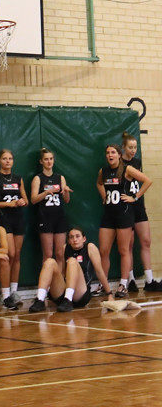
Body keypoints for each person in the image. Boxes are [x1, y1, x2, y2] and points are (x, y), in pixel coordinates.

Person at [97, 143, 152, 299]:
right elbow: (99, 183)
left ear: (119, 155)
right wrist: (104, 197)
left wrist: (134, 197)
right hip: (108, 214)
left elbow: (147, 181)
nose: (110, 155)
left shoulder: (127, 169)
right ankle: (103, 284)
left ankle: (123, 284)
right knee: (103, 251)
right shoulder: (104, 171)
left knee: (123, 250)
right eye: (108, 152)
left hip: (124, 214)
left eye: (113, 152)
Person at [29, 226, 113, 312]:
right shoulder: (65, 248)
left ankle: (68, 300)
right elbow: (63, 272)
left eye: (77, 236)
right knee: (49, 262)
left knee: (72, 261)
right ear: (69, 240)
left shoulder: (90, 247)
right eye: (71, 237)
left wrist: (109, 294)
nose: (75, 239)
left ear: (84, 239)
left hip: (80, 294)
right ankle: (40, 299)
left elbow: (99, 272)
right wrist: (55, 287)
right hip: (64, 292)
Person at [0, 148, 28, 305]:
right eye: (4, 158)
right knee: (9, 253)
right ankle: (4, 291)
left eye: (10, 158)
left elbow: (26, 199)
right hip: (4, 219)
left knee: (17, 255)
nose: (8, 161)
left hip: (18, 219)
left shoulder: (18, 178)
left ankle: (14, 290)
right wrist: (6, 204)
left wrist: (22, 201)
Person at [121, 132, 162, 293]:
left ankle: (149, 280)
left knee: (145, 241)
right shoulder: (120, 164)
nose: (133, 150)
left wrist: (136, 197)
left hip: (138, 205)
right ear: (123, 148)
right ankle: (130, 280)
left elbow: (144, 183)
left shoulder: (137, 162)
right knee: (128, 245)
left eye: (135, 147)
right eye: (130, 148)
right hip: (125, 208)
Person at [30, 148, 71, 270]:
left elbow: (66, 200)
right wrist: (46, 192)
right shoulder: (38, 178)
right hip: (45, 217)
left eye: (51, 159)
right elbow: (33, 199)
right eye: (46, 159)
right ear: (41, 161)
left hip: (59, 217)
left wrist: (66, 192)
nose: (49, 162)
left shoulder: (60, 178)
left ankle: (59, 285)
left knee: (60, 254)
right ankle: (46, 286)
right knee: (48, 255)